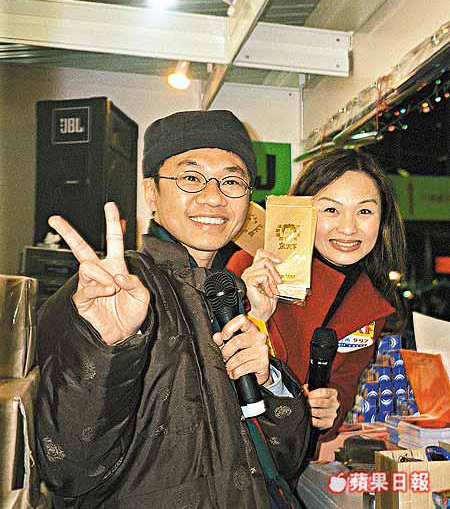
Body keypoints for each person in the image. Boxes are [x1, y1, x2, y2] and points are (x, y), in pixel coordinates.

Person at [36, 110, 310, 509]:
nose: (214, 197)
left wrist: (269, 380)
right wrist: (106, 348)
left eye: (232, 181)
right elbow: (68, 469)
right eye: (191, 178)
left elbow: (284, 460)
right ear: (151, 193)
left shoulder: (230, 293)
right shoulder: (103, 295)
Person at [227, 148, 406, 449]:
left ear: (382, 219)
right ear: (301, 212)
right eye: (331, 210)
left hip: (289, 460)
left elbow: (341, 389)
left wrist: (328, 408)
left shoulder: (371, 305)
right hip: (235, 452)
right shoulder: (250, 269)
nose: (348, 228)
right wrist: (253, 313)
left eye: (364, 211)